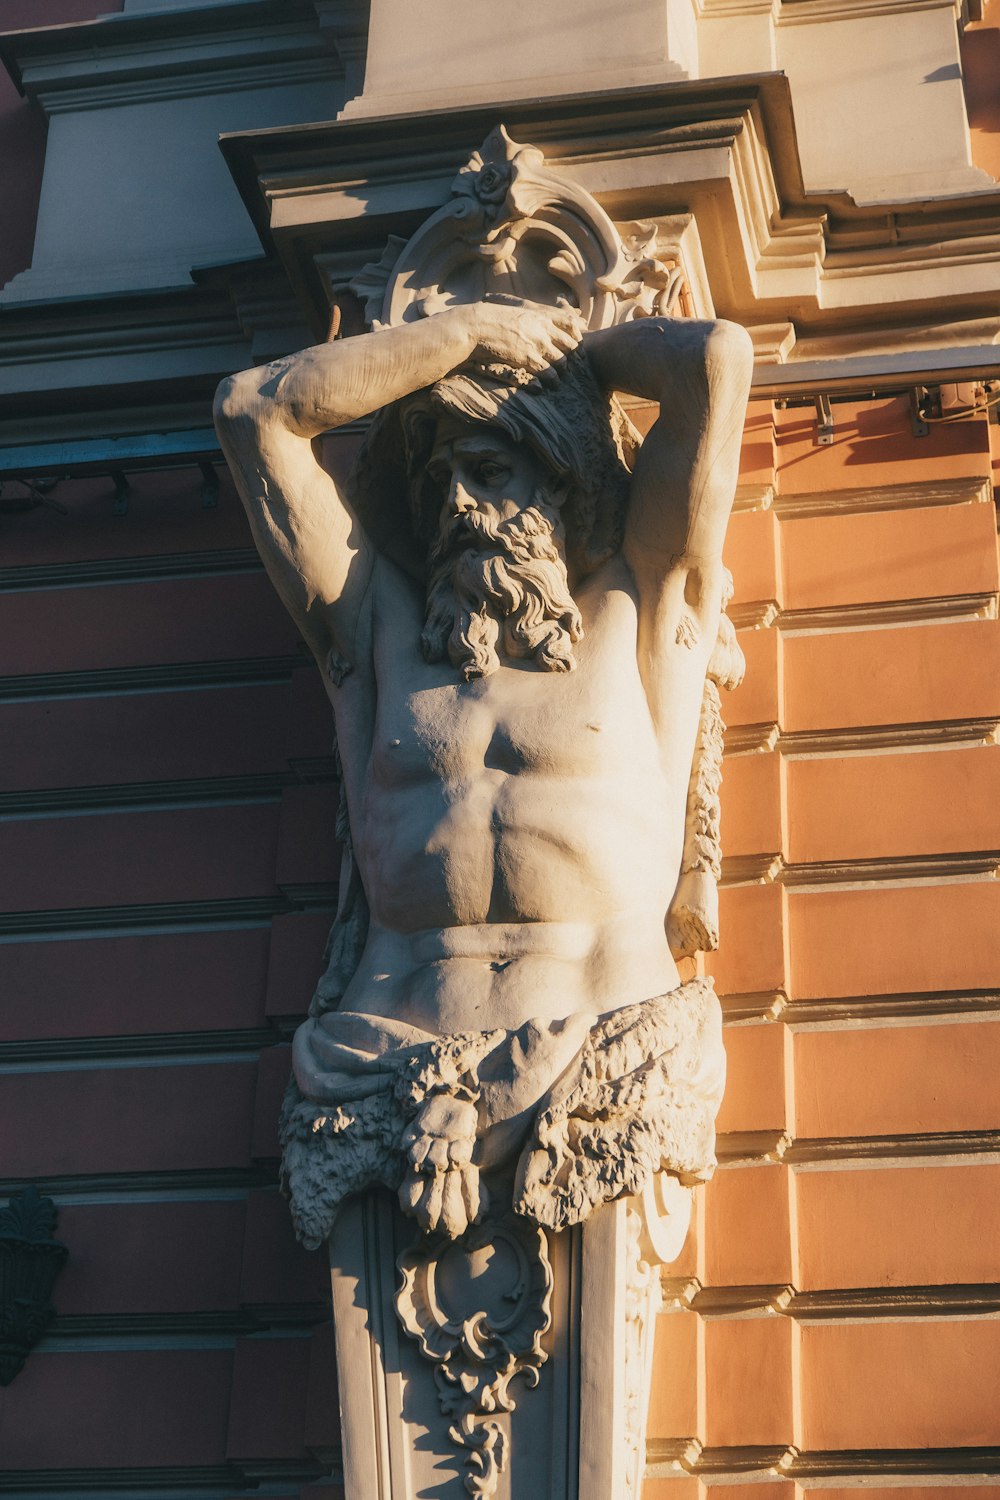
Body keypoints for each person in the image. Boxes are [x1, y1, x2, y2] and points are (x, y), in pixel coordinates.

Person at [214, 301, 753, 1246]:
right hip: (378, 1069)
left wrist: (570, 354)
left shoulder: (644, 606)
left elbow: (715, 359)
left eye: (490, 472)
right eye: (444, 479)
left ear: (560, 482)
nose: (460, 502)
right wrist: (457, 337)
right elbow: (252, 411)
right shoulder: (377, 631)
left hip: (602, 1052)